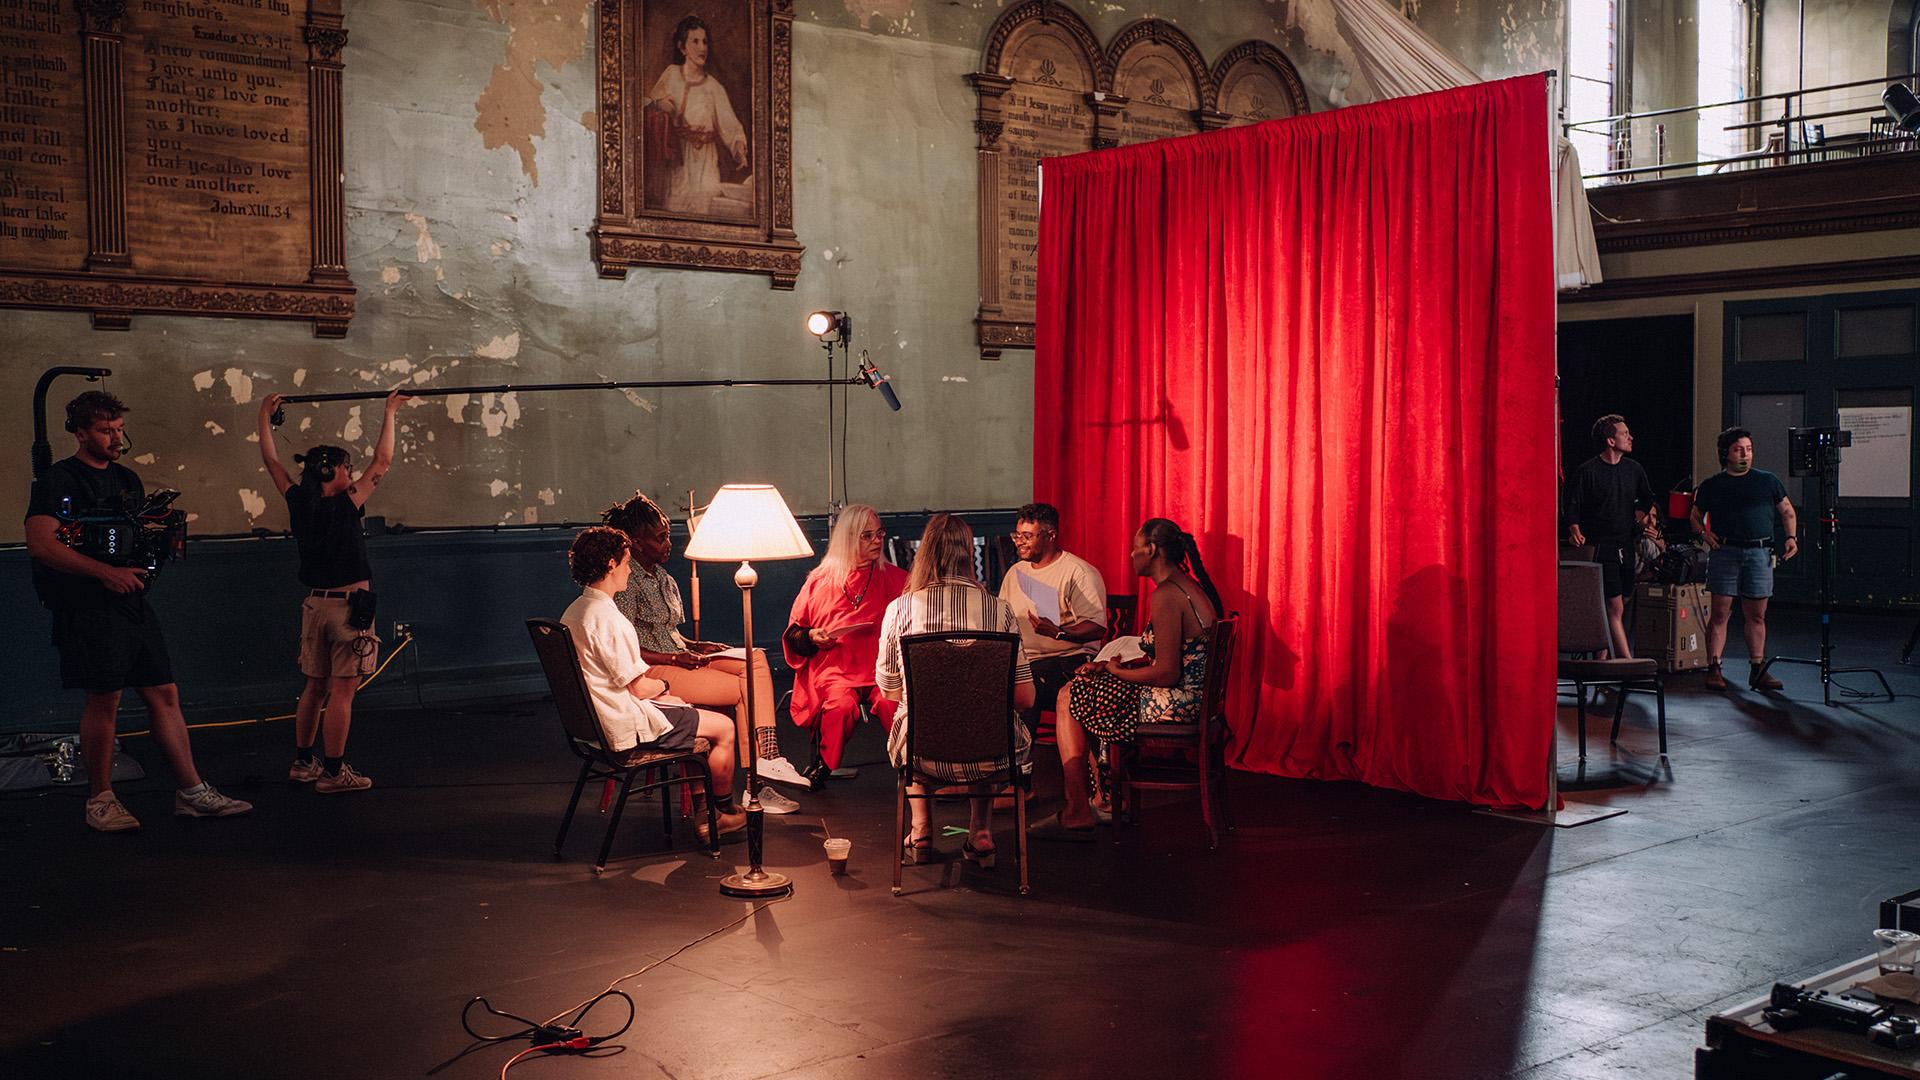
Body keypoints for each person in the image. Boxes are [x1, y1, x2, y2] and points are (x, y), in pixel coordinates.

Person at [24, 391, 253, 831]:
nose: (115, 438)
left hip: (132, 603)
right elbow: (41, 543)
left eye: (118, 429)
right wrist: (103, 573)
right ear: (80, 432)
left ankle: (191, 791)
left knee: (164, 693)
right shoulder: (58, 481)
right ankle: (100, 799)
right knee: (104, 699)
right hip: (87, 606)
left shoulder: (127, 479)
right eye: (105, 431)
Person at [600, 491, 804, 814]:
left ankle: (769, 758)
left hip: (679, 657)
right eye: (659, 538)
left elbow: (668, 633)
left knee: (756, 659)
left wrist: (696, 646)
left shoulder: (663, 579)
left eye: (668, 535)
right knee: (744, 686)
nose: (668, 544)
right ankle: (757, 786)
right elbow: (629, 647)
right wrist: (673, 658)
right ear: (636, 543)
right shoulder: (628, 581)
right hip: (652, 672)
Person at [256, 389, 409, 793]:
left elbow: (271, 461)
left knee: (314, 686)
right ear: (332, 473)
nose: (352, 474)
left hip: (315, 606)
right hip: (348, 611)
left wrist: (262, 416)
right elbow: (384, 461)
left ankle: (304, 762)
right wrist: (390, 411)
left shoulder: (298, 502)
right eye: (346, 468)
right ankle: (334, 772)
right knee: (343, 692)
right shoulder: (345, 504)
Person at [1034, 518, 1220, 841]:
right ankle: (1102, 799)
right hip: (1190, 698)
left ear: (1151, 550)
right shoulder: (1185, 587)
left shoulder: (1166, 595)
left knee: (1069, 695)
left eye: (1135, 548)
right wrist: (1108, 667)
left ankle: (1079, 807)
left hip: (1178, 703)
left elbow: (1167, 673)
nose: (1131, 556)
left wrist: (1117, 671)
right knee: (1082, 688)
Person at [561, 526, 745, 842]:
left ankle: (707, 812)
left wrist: (665, 699)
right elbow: (639, 688)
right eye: (626, 561)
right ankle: (721, 812)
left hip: (593, 724)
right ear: (610, 565)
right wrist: (664, 689)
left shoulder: (574, 611)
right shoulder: (610, 619)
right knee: (723, 727)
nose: (629, 569)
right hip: (620, 725)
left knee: (686, 713)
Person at [876, 513, 1035, 868]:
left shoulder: (899, 610)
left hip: (922, 751)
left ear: (925, 553)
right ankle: (980, 833)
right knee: (994, 719)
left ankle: (921, 830)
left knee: (909, 717)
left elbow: (888, 691)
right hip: (994, 753)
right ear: (968, 553)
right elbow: (1025, 698)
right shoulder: (999, 611)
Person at [781, 504, 905, 784]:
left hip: (882, 671)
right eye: (867, 535)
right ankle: (824, 764)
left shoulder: (897, 579)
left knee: (892, 704)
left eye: (879, 533)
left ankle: (910, 764)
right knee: (840, 706)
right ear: (849, 538)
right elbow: (794, 633)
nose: (877, 540)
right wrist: (813, 636)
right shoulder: (820, 581)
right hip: (835, 670)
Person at [1692, 427, 1799, 692]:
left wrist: (1791, 538)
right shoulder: (1713, 484)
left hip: (1759, 553)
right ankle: (1714, 667)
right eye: (1739, 449)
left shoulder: (1767, 481)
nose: (1745, 454)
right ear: (1725, 453)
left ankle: (1757, 668)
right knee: (1720, 612)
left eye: (1749, 449)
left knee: (1757, 615)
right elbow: (1694, 515)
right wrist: (1705, 535)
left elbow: (1787, 511)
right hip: (1726, 552)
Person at [996, 502, 1107, 732]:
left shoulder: (1078, 572)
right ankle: (991, 760)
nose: (1019, 542)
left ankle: (1022, 760)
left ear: (1051, 535)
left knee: (1024, 683)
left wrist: (1058, 631)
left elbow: (1096, 628)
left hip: (1069, 661)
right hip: (1026, 661)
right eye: (1017, 535)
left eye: (1027, 536)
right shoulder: (1015, 573)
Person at [1564, 414, 1659, 659]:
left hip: (1626, 544)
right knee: (1614, 606)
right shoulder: (1588, 471)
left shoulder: (1633, 469)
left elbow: (1647, 497)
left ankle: (1601, 658)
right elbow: (1572, 504)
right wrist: (1574, 528)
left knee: (1620, 601)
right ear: (1610, 441)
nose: (1630, 437)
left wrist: (1639, 518)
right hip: (1601, 546)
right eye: (1624, 433)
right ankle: (1627, 663)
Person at [646, 15, 749, 218]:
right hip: (678, 160)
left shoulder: (714, 88)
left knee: (704, 212)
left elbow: (730, 124)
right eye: (695, 41)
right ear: (682, 47)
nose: (702, 48)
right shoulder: (671, 75)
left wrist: (738, 145)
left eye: (705, 41)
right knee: (675, 212)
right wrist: (658, 104)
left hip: (706, 162)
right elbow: (645, 105)